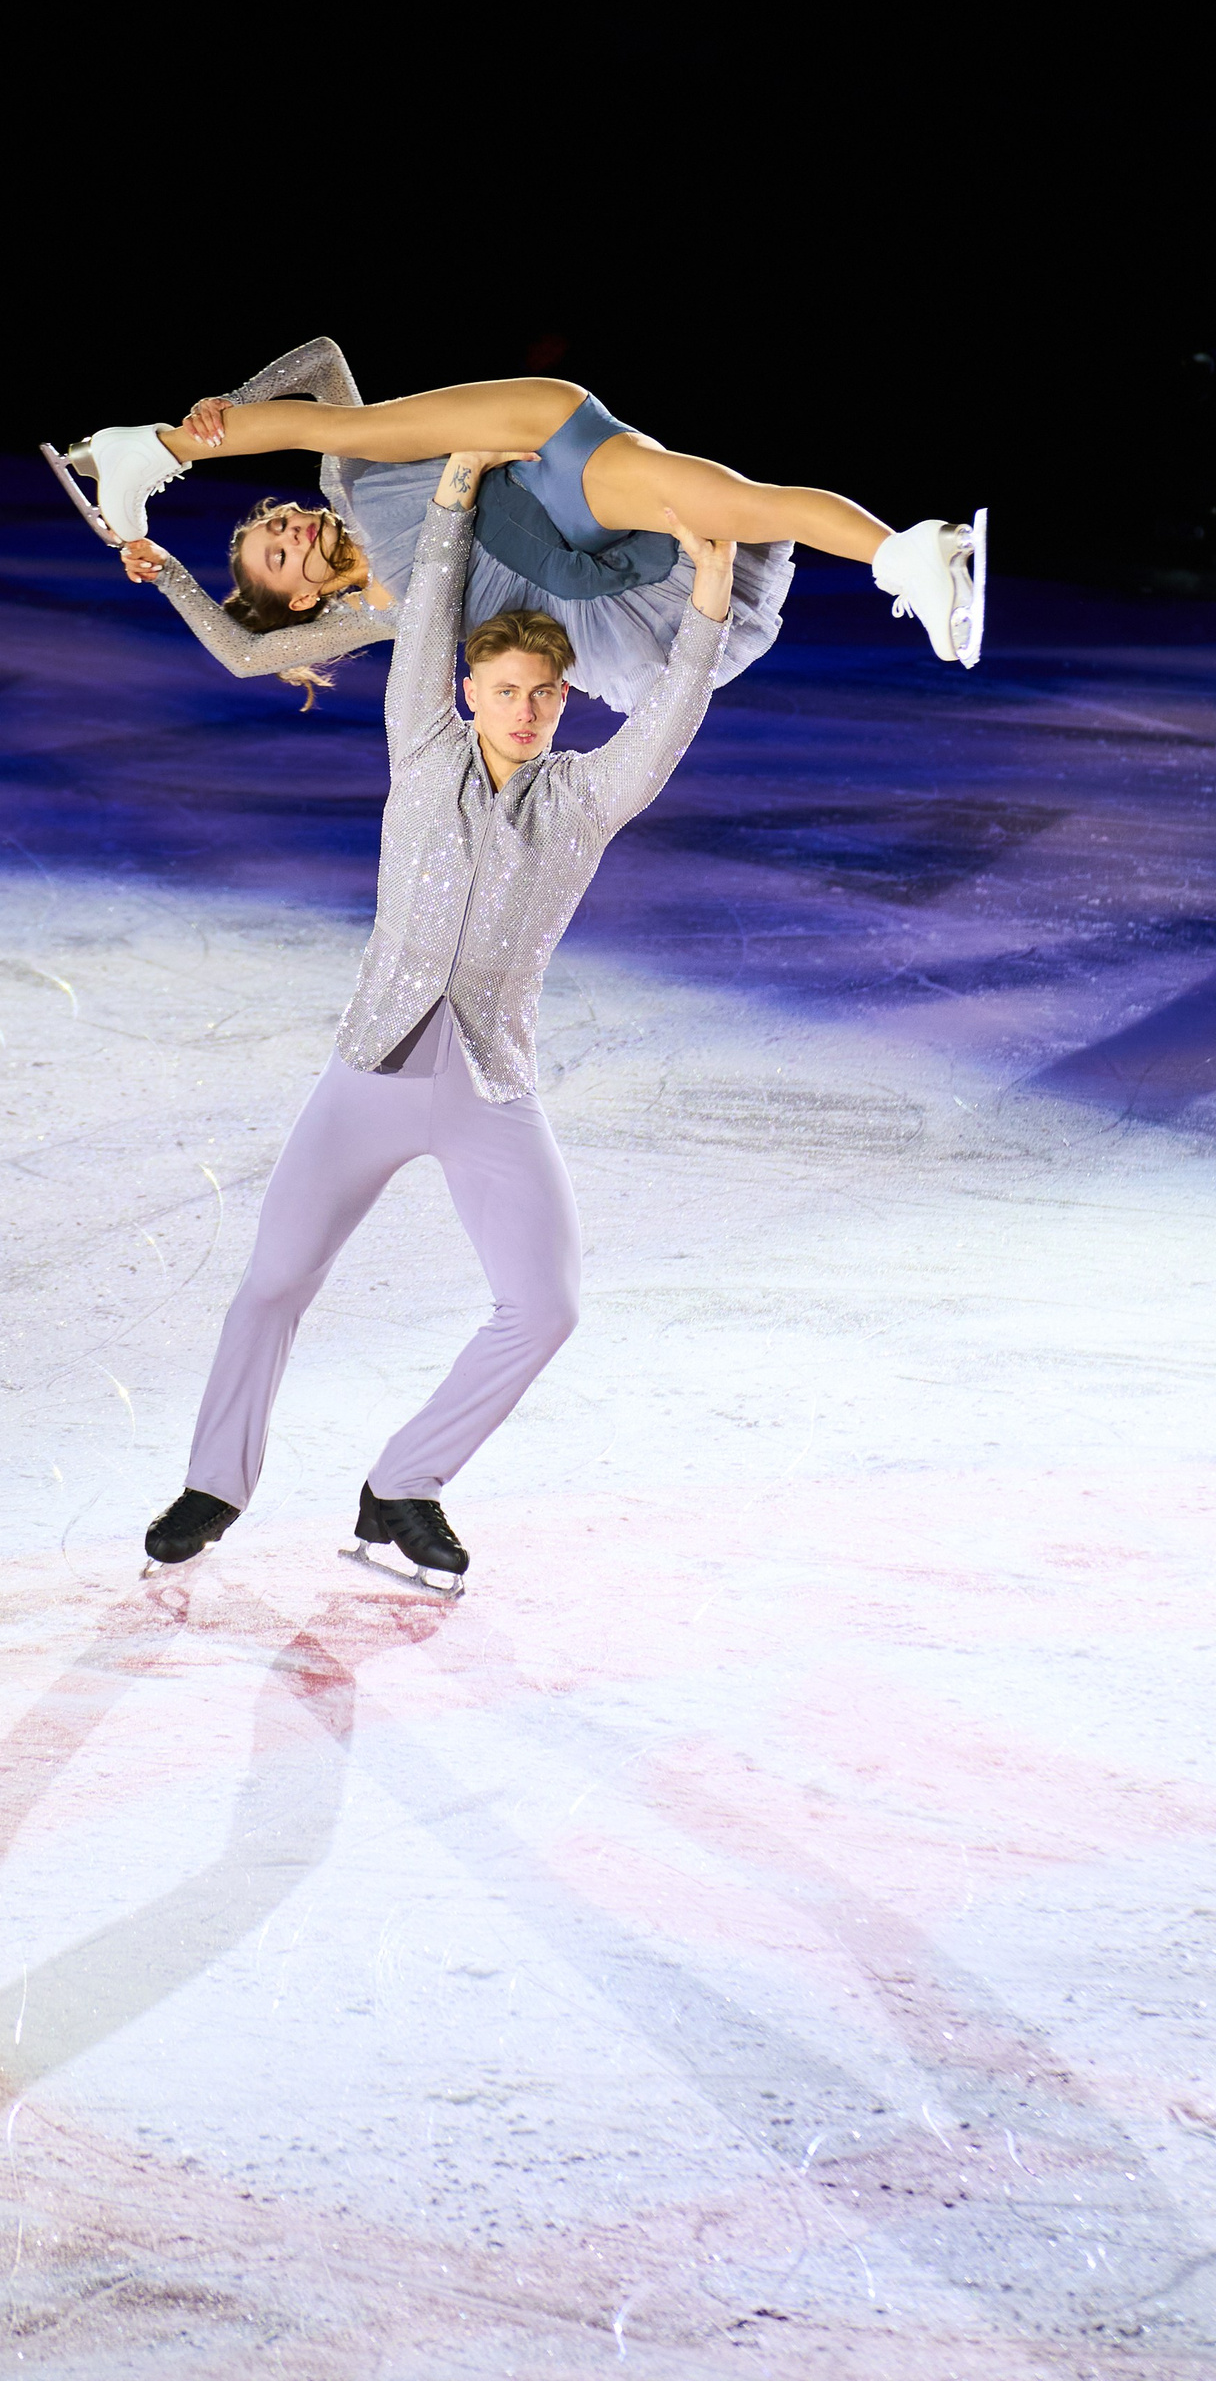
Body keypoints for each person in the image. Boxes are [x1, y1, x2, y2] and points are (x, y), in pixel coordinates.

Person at [140, 441, 737, 1592]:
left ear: (563, 702)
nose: (526, 710)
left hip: (487, 1086)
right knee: (274, 1281)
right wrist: (455, 489)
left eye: (545, 694)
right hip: (367, 1072)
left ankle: (405, 1485)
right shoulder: (420, 748)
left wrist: (710, 593)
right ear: (470, 692)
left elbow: (668, 718)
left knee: (546, 1307)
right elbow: (422, 625)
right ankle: (215, 1483)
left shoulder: (585, 799)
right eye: (506, 690)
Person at [52, 337, 986, 699]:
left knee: (339, 429)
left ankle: (151, 447)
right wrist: (165, 569)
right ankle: (912, 552)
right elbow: (242, 655)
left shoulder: (353, 480)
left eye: (278, 524)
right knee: (745, 511)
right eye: (280, 556)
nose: (292, 532)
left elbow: (323, 361)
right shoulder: (378, 614)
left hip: (540, 441)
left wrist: (231, 401)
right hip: (592, 542)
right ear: (302, 603)